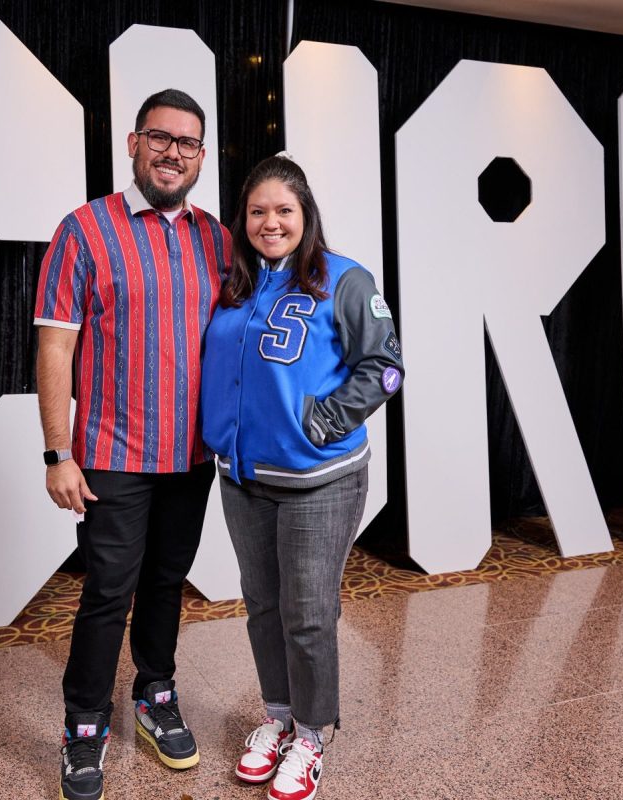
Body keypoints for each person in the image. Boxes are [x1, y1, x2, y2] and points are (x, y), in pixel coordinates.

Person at [34, 89, 231, 800]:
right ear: (134, 144)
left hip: (193, 455)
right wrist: (58, 453)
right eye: (160, 137)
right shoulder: (84, 229)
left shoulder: (219, 239)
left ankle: (155, 694)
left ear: (201, 157)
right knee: (107, 592)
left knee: (167, 582)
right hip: (112, 454)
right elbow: (55, 346)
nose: (173, 152)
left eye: (188, 143)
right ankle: (84, 724)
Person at [200, 155, 404, 800]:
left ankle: (312, 735)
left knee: (308, 615)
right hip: (243, 478)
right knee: (263, 606)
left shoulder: (344, 278)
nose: (271, 222)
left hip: (320, 479)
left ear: (305, 214)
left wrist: (321, 422)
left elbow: (385, 367)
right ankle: (279, 717)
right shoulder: (233, 283)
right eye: (257, 211)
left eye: (284, 210)